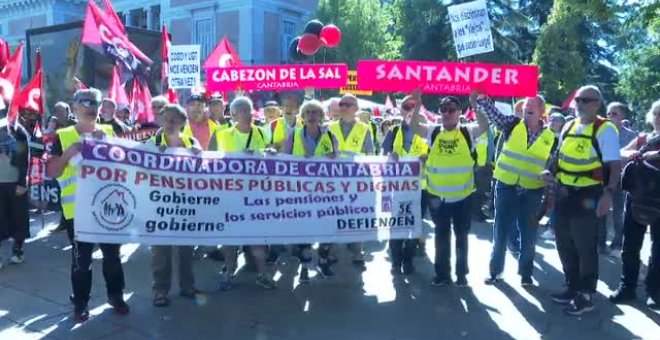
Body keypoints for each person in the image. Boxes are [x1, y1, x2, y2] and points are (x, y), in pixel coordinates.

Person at [46, 88, 129, 323]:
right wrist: (66, 155)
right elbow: (52, 171)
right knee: (81, 261)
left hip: (108, 209)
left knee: (112, 256)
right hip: (77, 212)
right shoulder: (62, 137)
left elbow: (131, 160)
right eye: (85, 102)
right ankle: (80, 303)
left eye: (95, 102)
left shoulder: (111, 131)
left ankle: (116, 296)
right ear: (75, 106)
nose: (91, 107)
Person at [542, 85, 621, 315]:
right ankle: (572, 286)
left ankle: (585, 295)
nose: (579, 104)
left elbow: (614, 166)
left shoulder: (605, 129)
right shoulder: (569, 125)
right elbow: (558, 156)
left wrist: (608, 194)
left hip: (589, 194)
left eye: (585, 100)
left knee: (584, 246)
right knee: (564, 242)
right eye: (577, 100)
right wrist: (550, 172)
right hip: (565, 192)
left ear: (597, 103)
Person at [474, 92, 557, 286]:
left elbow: (553, 164)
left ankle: (526, 274)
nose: (527, 107)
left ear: (541, 111)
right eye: (525, 104)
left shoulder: (550, 137)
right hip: (506, 185)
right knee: (500, 230)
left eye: (532, 105)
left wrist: (548, 173)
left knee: (528, 233)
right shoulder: (511, 124)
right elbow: (492, 113)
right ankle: (496, 272)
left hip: (532, 190)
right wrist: (482, 97)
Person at [409, 89, 489, 287]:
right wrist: (417, 103)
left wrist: (474, 103)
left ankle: (461, 274)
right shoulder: (433, 131)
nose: (447, 113)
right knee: (441, 237)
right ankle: (442, 274)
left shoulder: (467, 131)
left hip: (463, 196)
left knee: (461, 236)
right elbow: (413, 125)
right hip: (438, 197)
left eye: (451, 109)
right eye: (443, 109)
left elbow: (485, 125)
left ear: (459, 112)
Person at [209, 96, 277, 290]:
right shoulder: (222, 134)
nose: (247, 114)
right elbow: (210, 162)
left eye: (249, 110)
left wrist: (270, 153)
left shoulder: (263, 133)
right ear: (233, 114)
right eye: (242, 111)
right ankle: (229, 271)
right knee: (229, 239)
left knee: (257, 237)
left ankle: (263, 274)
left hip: (256, 195)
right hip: (230, 195)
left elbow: (271, 157)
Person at [148, 104, 203, 307]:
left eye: (175, 120)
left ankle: (188, 286)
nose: (170, 123)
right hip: (160, 206)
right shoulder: (152, 142)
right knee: (161, 252)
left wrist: (198, 155)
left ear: (182, 123)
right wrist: (153, 155)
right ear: (160, 120)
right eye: (166, 119)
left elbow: (203, 172)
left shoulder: (191, 142)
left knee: (186, 251)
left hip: (185, 205)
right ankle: (160, 290)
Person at [610, 100, 660, 308]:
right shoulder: (643, 138)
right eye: (656, 113)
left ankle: (655, 291)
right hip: (636, 199)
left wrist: (655, 155)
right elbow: (622, 151)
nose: (659, 118)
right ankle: (627, 287)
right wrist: (632, 153)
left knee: (658, 249)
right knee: (630, 246)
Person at [282, 99, 338, 282]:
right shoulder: (294, 133)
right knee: (304, 229)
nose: (312, 116)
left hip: (325, 192)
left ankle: (322, 260)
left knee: (327, 228)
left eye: (315, 113)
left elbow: (341, 163)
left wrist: (333, 157)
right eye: (308, 113)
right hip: (300, 191)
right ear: (303, 117)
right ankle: (305, 266)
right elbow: (284, 159)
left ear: (321, 116)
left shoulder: (331, 136)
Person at [381, 94, 430, 275]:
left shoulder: (429, 131)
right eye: (407, 107)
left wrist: (428, 158)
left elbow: (438, 156)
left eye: (413, 106)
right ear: (401, 110)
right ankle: (396, 261)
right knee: (396, 225)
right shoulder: (394, 131)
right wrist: (390, 157)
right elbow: (382, 158)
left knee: (413, 225)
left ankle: (408, 260)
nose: (410, 111)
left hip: (421, 188)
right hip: (398, 188)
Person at [328, 94, 376, 269]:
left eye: (348, 104)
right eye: (342, 104)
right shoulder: (329, 127)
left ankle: (357, 250)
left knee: (357, 215)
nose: (344, 107)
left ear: (356, 109)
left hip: (357, 179)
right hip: (334, 179)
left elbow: (371, 155)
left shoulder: (365, 129)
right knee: (333, 215)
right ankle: (332, 249)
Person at [602, 102, 637, 252]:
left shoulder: (631, 135)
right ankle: (600, 242)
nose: (610, 117)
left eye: (614, 114)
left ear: (623, 116)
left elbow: (632, 157)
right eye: (608, 113)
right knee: (601, 211)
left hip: (621, 179)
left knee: (617, 212)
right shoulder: (601, 132)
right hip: (601, 177)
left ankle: (617, 243)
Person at [0, 116, 30, 267]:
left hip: (15, 183)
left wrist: (22, 182)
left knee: (18, 218)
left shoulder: (18, 132)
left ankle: (18, 250)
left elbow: (25, 159)